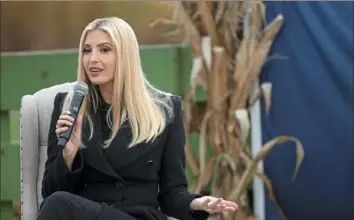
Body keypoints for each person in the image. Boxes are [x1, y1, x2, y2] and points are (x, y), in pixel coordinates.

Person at [37, 17, 238, 220]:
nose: (92, 59)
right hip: (88, 214)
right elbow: (51, 192)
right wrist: (69, 155)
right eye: (87, 50)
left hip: (136, 216)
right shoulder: (70, 106)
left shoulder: (164, 110)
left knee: (59, 203)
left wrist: (197, 203)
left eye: (104, 50)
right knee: (57, 202)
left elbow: (172, 193)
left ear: (126, 55)